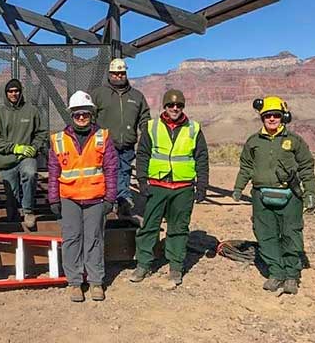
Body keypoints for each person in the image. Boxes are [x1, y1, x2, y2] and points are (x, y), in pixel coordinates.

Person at [232, 96, 315, 295]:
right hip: (261, 196)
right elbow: (246, 166)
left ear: (283, 117)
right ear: (262, 117)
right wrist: (238, 188)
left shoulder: (294, 141)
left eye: (276, 115)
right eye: (267, 115)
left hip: (290, 197)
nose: (271, 119)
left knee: (291, 234)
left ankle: (291, 276)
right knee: (265, 235)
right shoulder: (253, 142)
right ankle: (276, 272)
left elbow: (306, 167)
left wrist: (310, 192)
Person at [130, 89, 209, 287]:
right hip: (157, 186)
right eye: (171, 105)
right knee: (149, 226)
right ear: (164, 106)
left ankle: (175, 266)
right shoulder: (151, 127)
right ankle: (143, 264)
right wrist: (141, 181)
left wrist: (202, 185)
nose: (175, 108)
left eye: (179, 105)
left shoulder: (194, 128)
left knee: (178, 228)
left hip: (183, 188)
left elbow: (201, 158)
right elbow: (142, 155)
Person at [48, 91, 117, 302]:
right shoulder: (58, 140)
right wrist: (53, 198)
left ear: (91, 114)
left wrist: (110, 198)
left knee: (94, 239)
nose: (81, 118)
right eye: (77, 114)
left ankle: (96, 282)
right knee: (71, 240)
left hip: (95, 198)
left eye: (85, 114)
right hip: (69, 198)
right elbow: (53, 171)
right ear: (71, 115)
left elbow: (111, 168)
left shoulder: (102, 137)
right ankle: (74, 283)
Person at [92, 58, 150, 214]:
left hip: (127, 144)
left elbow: (144, 117)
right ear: (110, 74)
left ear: (126, 73)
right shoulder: (99, 94)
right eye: (115, 73)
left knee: (124, 171)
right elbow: (90, 116)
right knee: (111, 172)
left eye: (121, 73)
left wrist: (146, 133)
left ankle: (119, 202)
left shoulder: (137, 96)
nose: (118, 76)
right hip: (106, 144)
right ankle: (120, 199)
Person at [0, 78, 48, 229]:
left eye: (16, 91)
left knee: (30, 173)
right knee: (11, 192)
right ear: (6, 93)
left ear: (21, 93)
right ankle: (13, 215)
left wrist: (34, 148)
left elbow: (41, 133)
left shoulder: (31, 111)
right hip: (7, 158)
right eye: (10, 91)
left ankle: (28, 211)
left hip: (27, 157)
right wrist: (14, 148)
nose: (13, 94)